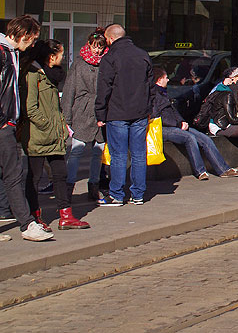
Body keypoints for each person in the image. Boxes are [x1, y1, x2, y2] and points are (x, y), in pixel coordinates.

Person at [21, 39, 90, 229]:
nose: (63, 58)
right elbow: (30, 108)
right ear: (51, 56)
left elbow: (54, 107)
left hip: (54, 135)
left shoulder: (51, 76)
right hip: (38, 135)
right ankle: (34, 217)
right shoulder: (33, 74)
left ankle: (66, 215)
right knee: (34, 177)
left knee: (60, 174)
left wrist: (60, 125)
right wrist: (48, 125)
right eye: (61, 54)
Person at [0, 16, 52, 240]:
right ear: (23, 34)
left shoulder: (11, 53)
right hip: (3, 125)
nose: (32, 44)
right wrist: (4, 119)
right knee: (13, 175)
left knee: (9, 174)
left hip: (7, 122)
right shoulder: (3, 53)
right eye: (32, 38)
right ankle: (27, 224)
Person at [95, 24, 154, 206]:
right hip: (140, 112)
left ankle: (117, 195)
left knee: (118, 155)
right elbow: (151, 87)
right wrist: (149, 109)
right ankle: (138, 194)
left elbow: (104, 88)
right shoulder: (143, 55)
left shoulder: (110, 58)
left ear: (110, 39)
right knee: (139, 154)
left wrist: (100, 113)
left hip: (117, 112)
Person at [152, 67, 238, 179]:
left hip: (176, 125)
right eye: (166, 78)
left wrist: (182, 121)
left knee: (205, 139)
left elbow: (173, 111)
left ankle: (223, 169)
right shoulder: (153, 95)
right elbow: (157, 116)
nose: (168, 80)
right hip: (163, 128)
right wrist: (178, 124)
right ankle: (200, 171)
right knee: (190, 138)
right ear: (159, 80)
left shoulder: (163, 93)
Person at [63, 30, 108, 202]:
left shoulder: (106, 63)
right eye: (95, 46)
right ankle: (69, 187)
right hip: (82, 111)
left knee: (98, 152)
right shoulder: (79, 63)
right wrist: (66, 117)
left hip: (100, 111)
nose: (97, 50)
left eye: (100, 47)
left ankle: (94, 186)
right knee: (77, 150)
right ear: (88, 45)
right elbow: (69, 91)